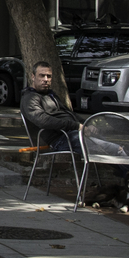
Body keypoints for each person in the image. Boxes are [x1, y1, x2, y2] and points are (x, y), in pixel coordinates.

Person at [20, 61, 86, 200]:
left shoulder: (51, 95)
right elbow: (43, 120)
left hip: (72, 134)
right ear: (33, 76)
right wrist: (75, 126)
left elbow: (70, 113)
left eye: (48, 76)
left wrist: (87, 124)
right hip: (59, 140)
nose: (45, 80)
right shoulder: (29, 98)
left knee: (107, 145)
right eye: (42, 76)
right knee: (100, 148)